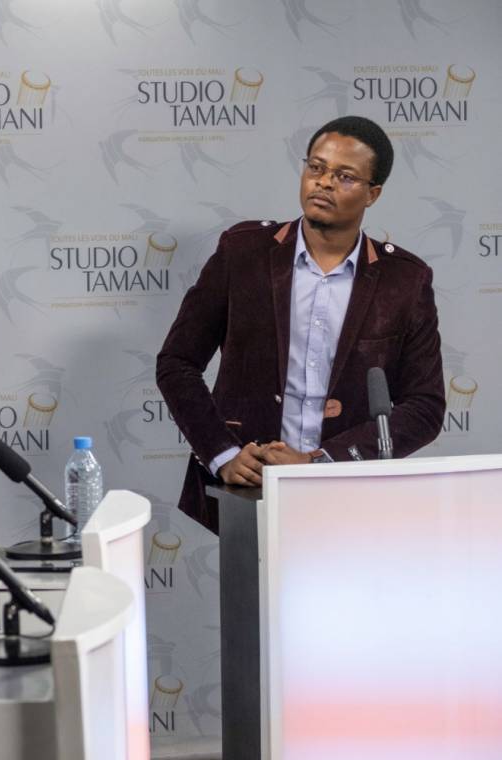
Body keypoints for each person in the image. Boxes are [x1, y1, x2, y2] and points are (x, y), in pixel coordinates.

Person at [156, 115, 444, 534]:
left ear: (373, 194)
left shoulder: (404, 279)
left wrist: (321, 462)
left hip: (350, 493)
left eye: (344, 176)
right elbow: (177, 363)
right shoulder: (244, 253)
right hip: (250, 488)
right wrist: (222, 454)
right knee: (254, 602)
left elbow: (425, 406)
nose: (324, 182)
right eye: (316, 167)